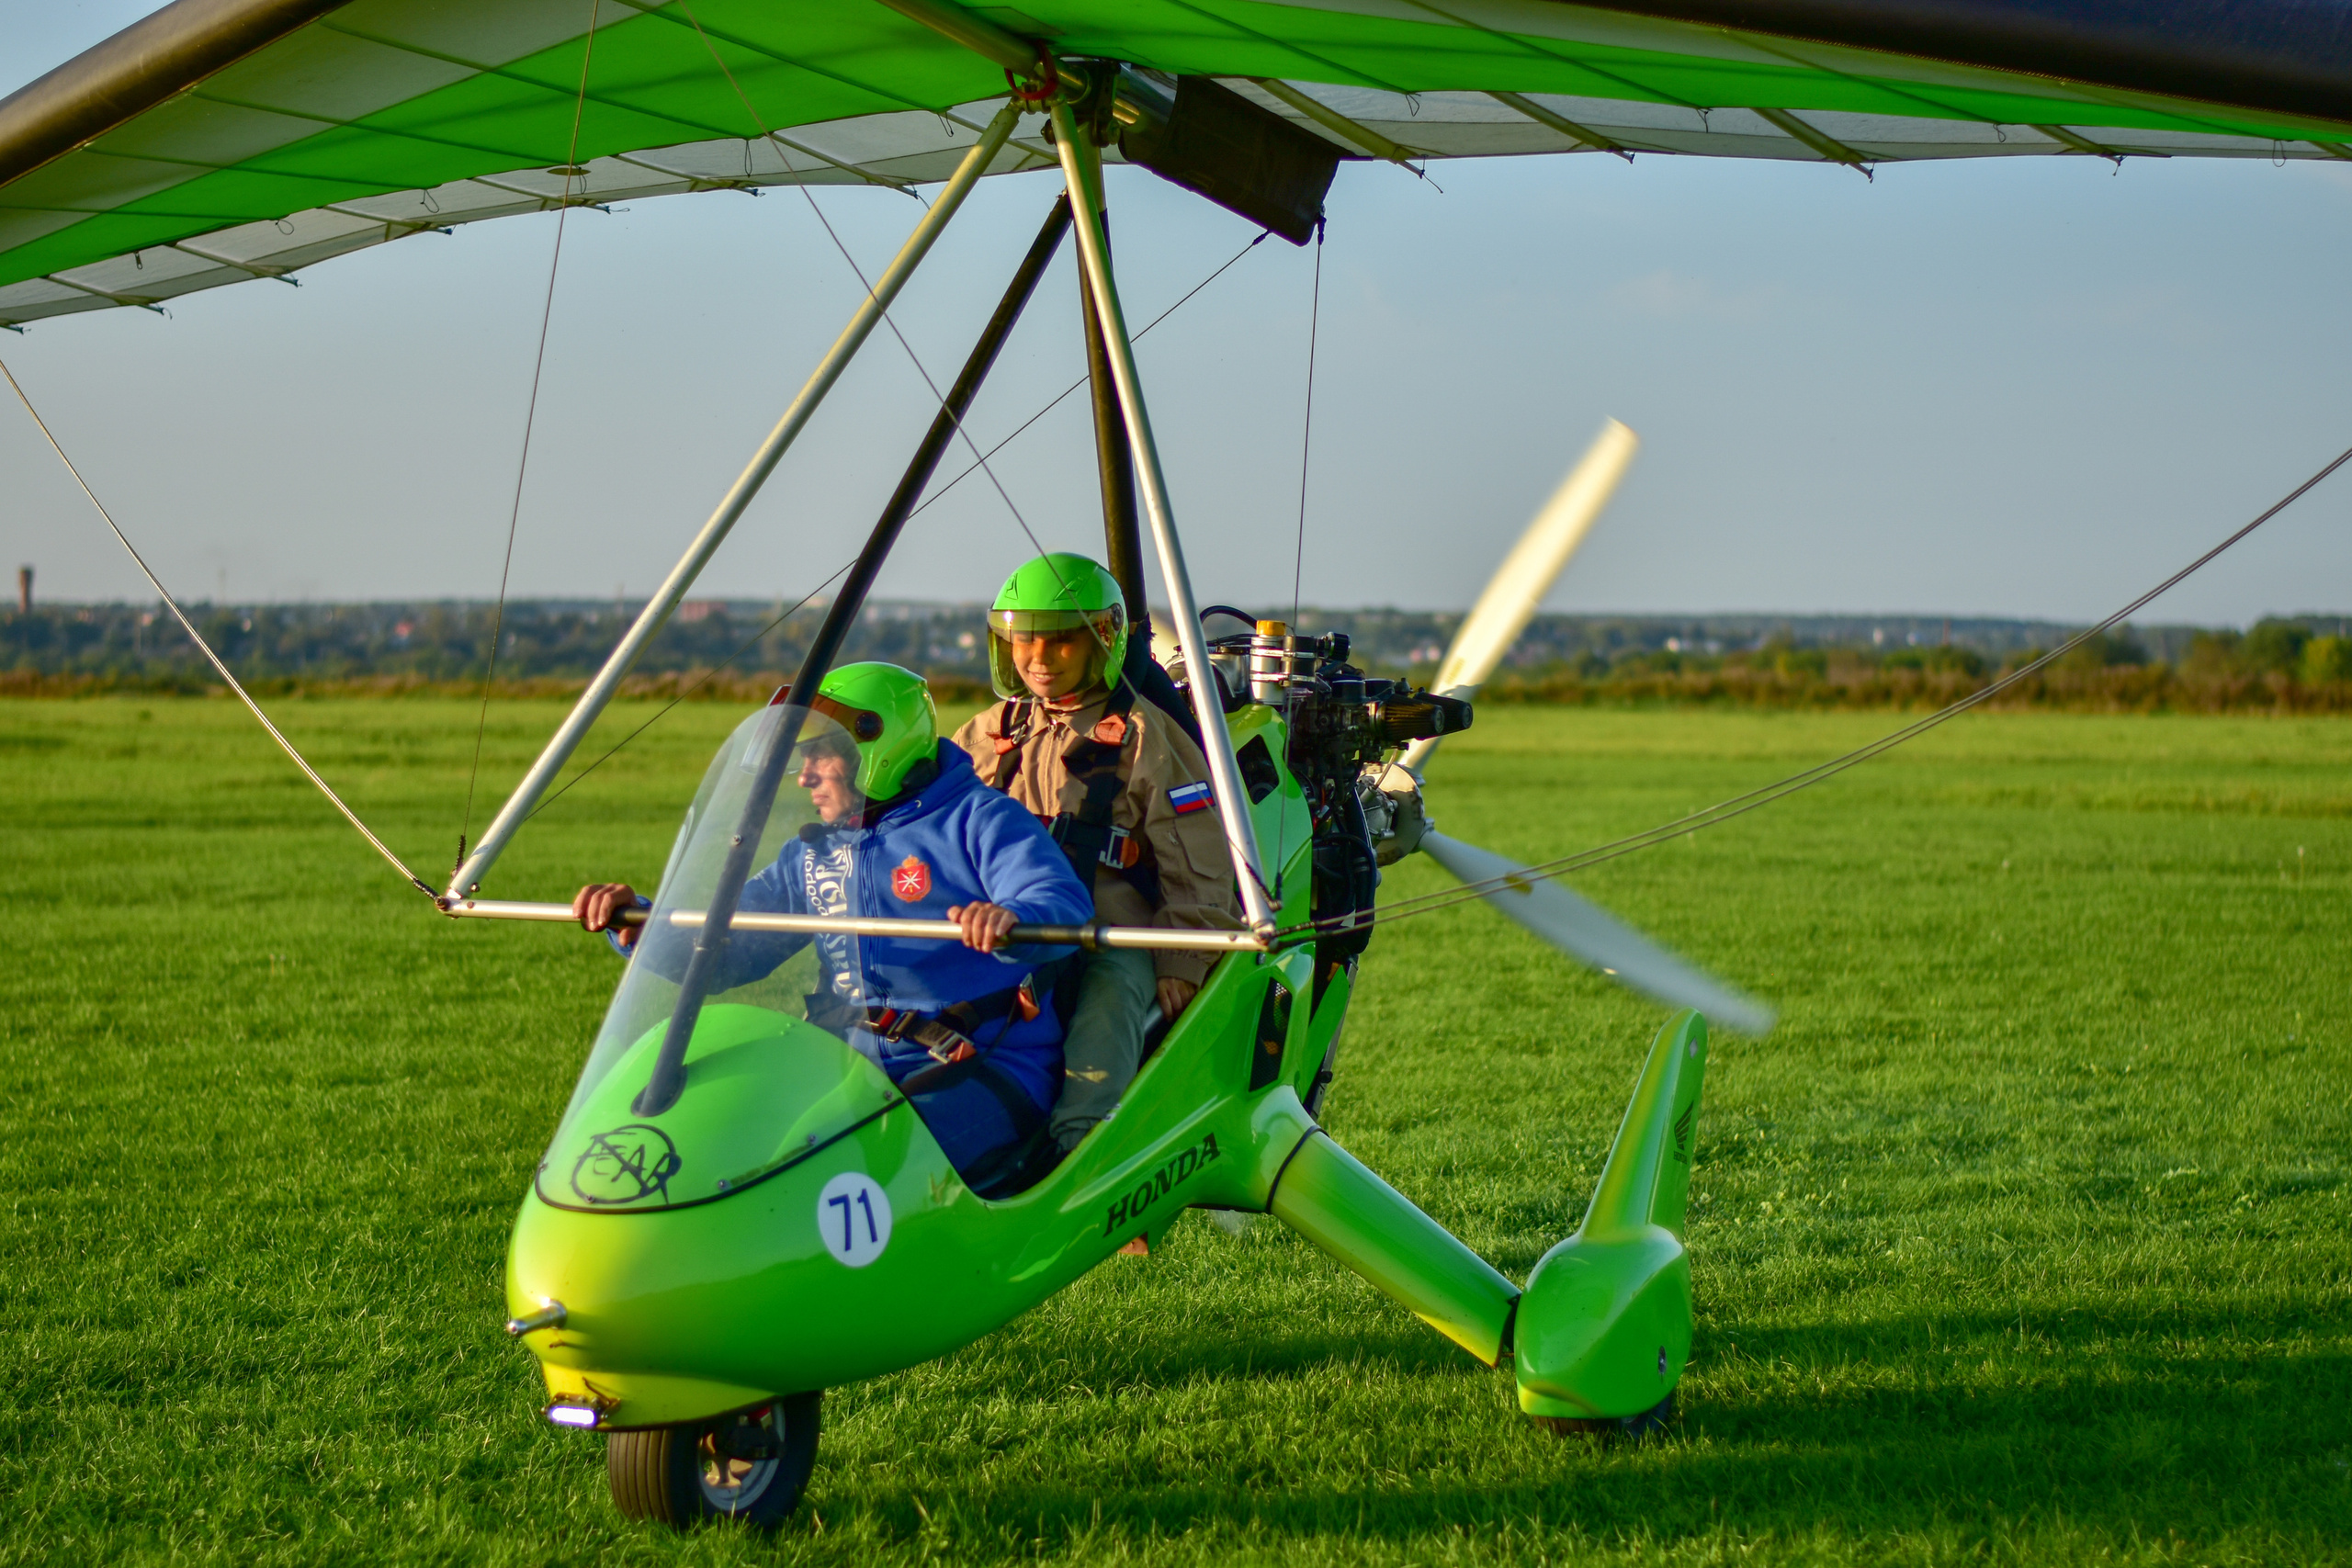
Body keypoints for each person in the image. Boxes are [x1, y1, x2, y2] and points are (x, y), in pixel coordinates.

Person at [574, 661, 1092, 1197]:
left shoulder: (979, 818)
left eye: (819, 755)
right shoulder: (812, 852)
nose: (804, 777)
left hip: (982, 1064)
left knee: (852, 1167)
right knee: (727, 1144)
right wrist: (638, 922)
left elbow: (1059, 901)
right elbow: (725, 951)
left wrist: (1011, 919)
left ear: (876, 747)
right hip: (845, 1063)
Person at [951, 553, 1240, 1157]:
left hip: (1107, 927)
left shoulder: (1142, 733)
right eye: (1024, 642)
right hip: (999, 919)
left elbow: (1200, 859)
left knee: (1107, 1008)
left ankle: (1082, 1151)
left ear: (1101, 641)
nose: (1036, 659)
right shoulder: (987, 731)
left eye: (1058, 644)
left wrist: (1181, 958)